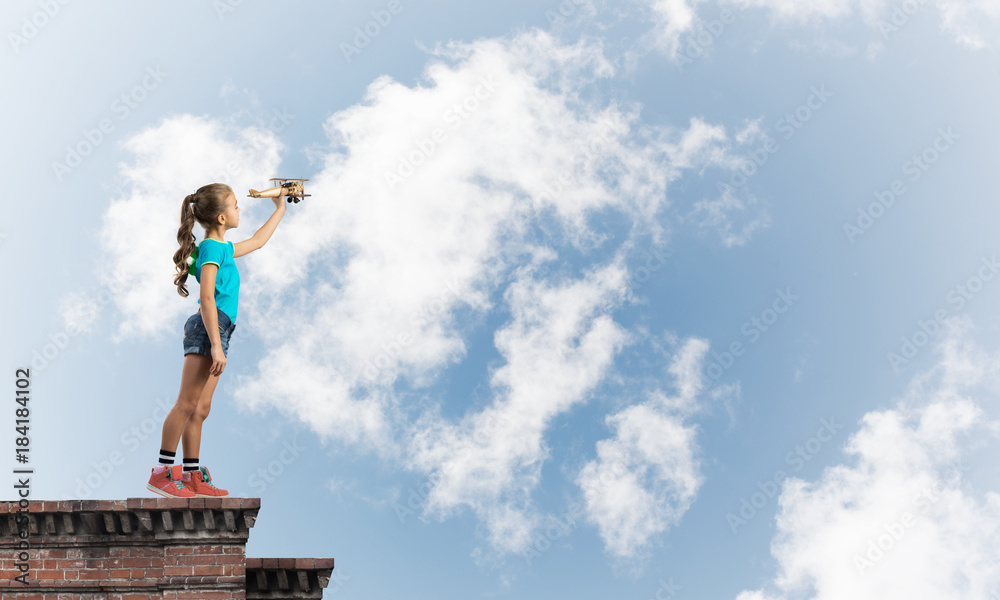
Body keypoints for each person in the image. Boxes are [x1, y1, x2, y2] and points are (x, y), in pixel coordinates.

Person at [146, 182, 286, 498]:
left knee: (201, 408)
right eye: (236, 205)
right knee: (186, 402)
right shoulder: (211, 248)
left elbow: (259, 241)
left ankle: (192, 475)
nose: (240, 210)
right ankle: (161, 474)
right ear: (221, 218)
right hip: (209, 329)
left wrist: (280, 208)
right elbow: (207, 298)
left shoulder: (222, 248)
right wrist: (216, 345)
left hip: (219, 330)